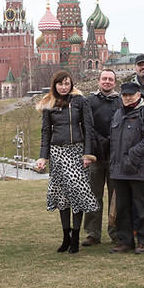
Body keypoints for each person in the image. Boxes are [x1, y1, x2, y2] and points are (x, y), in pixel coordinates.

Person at [35, 70, 98, 254]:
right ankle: (66, 237)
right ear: (55, 85)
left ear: (71, 84)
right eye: (60, 84)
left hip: (77, 152)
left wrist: (88, 154)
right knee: (62, 195)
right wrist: (43, 156)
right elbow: (46, 132)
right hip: (57, 152)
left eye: (67, 83)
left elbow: (88, 128)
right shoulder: (49, 103)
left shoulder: (80, 101)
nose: (64, 87)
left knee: (77, 193)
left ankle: (76, 238)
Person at [108, 83, 144, 254]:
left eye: (131, 95)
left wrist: (132, 155)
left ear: (138, 95)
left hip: (139, 169)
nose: (127, 98)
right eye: (124, 95)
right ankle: (125, 241)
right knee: (122, 208)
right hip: (119, 170)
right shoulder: (117, 114)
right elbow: (114, 142)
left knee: (143, 207)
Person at [82, 69, 121, 246]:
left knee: (116, 196)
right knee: (93, 195)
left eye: (110, 79)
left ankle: (116, 231)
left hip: (115, 156)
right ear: (98, 81)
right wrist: (98, 141)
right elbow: (87, 126)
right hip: (96, 155)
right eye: (104, 79)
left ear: (114, 82)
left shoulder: (120, 101)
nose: (107, 82)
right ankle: (93, 232)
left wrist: (111, 140)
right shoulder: (90, 101)